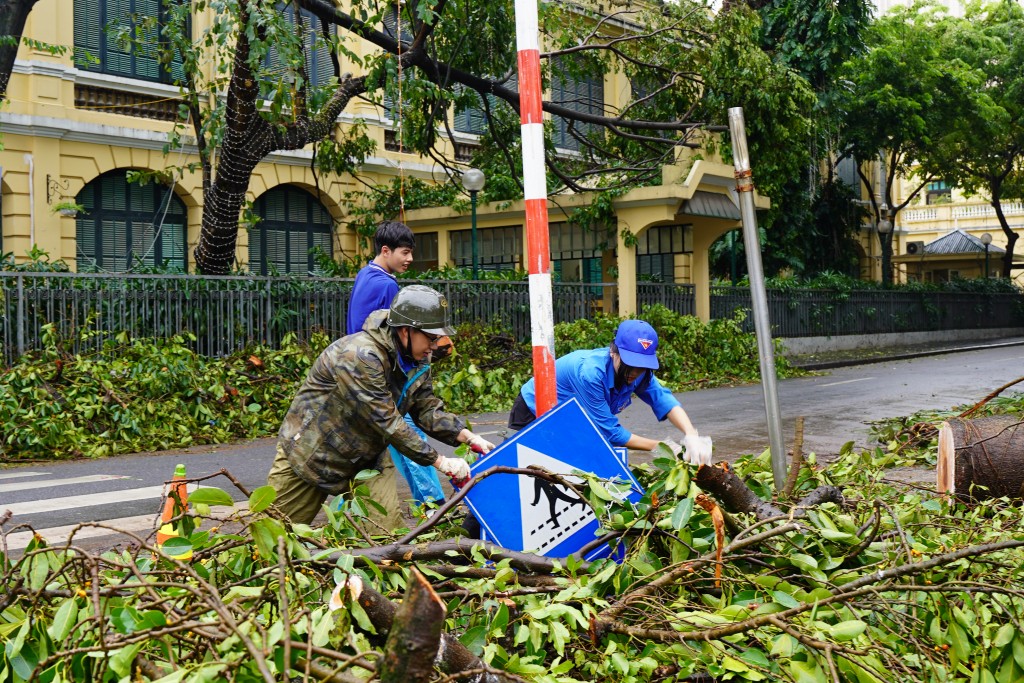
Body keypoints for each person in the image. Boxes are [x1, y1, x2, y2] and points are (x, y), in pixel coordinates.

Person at [267, 285, 495, 527]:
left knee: (386, 539)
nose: (434, 345)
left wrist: (467, 436)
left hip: (368, 456)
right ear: (406, 331)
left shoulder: (419, 359)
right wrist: (440, 461)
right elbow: (386, 420)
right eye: (430, 337)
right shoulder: (361, 356)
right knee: (272, 541)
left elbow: (426, 408)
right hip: (313, 453)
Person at [509, 319, 713, 465]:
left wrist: (691, 435)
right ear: (613, 352)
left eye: (642, 366)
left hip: (572, 419)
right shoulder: (591, 374)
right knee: (520, 472)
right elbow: (610, 432)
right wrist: (661, 446)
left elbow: (662, 399)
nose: (635, 373)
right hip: (534, 411)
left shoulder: (640, 372)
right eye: (630, 365)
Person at [346, 220, 446, 508]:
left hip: (357, 369)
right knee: (407, 434)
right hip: (384, 374)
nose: (410, 259)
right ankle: (432, 503)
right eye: (405, 252)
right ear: (386, 250)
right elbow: (398, 336)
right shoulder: (388, 285)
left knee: (368, 448)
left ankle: (346, 511)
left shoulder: (364, 275)